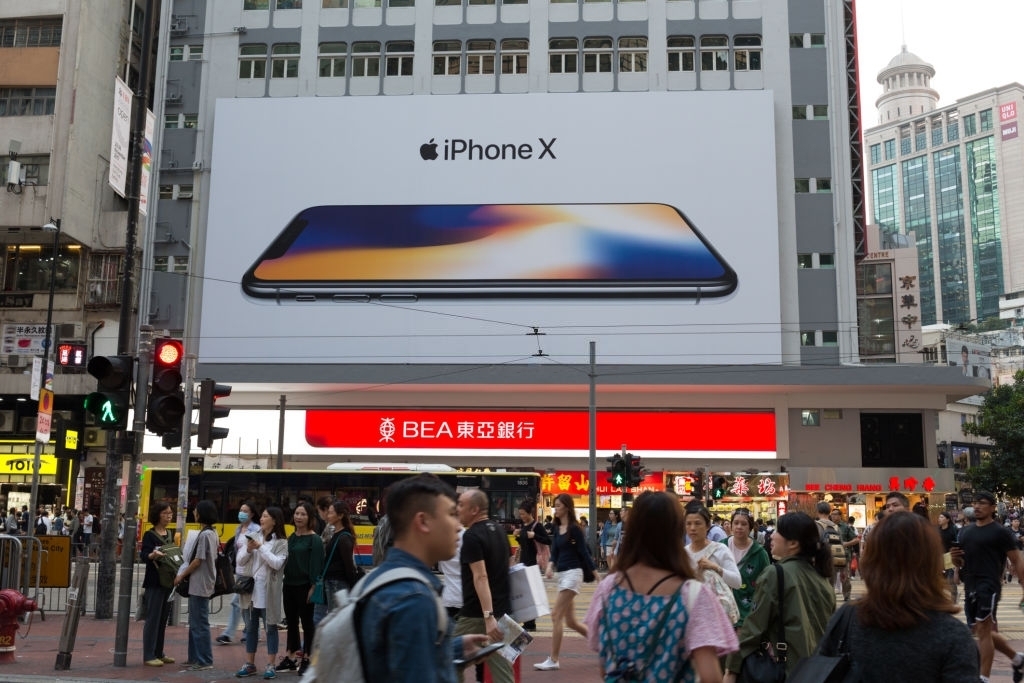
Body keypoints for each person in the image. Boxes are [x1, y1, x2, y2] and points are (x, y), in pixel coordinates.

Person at [585, 491, 737, 681]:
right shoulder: (692, 594)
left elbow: (605, 667)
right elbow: (711, 677)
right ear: (676, 531)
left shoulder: (608, 589)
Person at [357, 474, 490, 682]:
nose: (458, 526)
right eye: (451, 514)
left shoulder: (382, 579)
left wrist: (452, 648)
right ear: (423, 521)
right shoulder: (414, 599)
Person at [823, 510, 979, 680]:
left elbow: (820, 670)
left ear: (870, 561)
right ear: (933, 563)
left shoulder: (847, 619)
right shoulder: (953, 636)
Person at [723, 512, 835, 680]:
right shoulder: (822, 577)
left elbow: (753, 628)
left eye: (777, 532)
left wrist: (731, 670)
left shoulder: (775, 574)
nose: (772, 536)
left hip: (786, 670)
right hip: (816, 672)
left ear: (793, 544)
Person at [952, 491, 1024, 683]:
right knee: (980, 630)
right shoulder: (965, 532)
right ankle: (1017, 659)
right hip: (971, 585)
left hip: (989, 585)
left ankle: (983, 678)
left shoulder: (1001, 532)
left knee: (983, 630)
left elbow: (1016, 560)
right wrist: (955, 560)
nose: (977, 506)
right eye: (975, 503)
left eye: (982, 503)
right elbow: (960, 562)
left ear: (992, 507)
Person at [455, 489, 514, 683]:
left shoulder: (472, 536)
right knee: (503, 672)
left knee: (449, 658)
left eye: (461, 505)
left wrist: (488, 617)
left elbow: (480, 576)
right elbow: (509, 565)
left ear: (474, 510)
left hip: (477, 614)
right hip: (502, 613)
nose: (457, 509)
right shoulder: (500, 530)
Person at [536, 493, 590, 671]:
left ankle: (554, 659)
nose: (555, 508)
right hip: (563, 575)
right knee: (571, 622)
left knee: (555, 615)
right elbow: (556, 552)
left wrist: (596, 574)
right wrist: (550, 566)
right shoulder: (557, 527)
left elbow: (584, 552)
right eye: (555, 505)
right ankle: (603, 644)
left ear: (567, 507)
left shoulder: (575, 529)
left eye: (558, 505)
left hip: (573, 574)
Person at [234, 506, 289, 680]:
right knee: (250, 628)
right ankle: (249, 663)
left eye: (265, 516)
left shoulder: (281, 542)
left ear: (275, 520)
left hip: (268, 592)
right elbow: (240, 560)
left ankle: (271, 665)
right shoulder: (253, 536)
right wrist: (249, 549)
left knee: (270, 628)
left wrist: (260, 548)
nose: (261, 519)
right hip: (250, 591)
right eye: (262, 516)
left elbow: (277, 564)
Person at [278, 501, 323, 676]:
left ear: (310, 517)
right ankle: (291, 656)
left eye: (303, 514)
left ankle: (308, 658)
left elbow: (316, 566)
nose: (299, 517)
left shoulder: (315, 539)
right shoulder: (292, 537)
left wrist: (313, 586)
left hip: (305, 586)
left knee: (307, 623)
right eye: (297, 513)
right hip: (289, 584)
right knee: (291, 622)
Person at [174, 500, 219, 672]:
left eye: (196, 510)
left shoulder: (205, 535)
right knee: (195, 623)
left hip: (200, 584)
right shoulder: (211, 532)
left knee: (199, 623)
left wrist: (181, 575)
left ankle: (204, 660)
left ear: (201, 513)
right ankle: (194, 657)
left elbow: (198, 560)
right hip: (201, 583)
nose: (194, 513)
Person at [683, 503, 742, 624]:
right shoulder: (683, 554)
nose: (692, 528)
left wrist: (715, 568)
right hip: (691, 618)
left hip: (716, 619)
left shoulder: (720, 549)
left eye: (697, 523)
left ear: (708, 526)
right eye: (688, 524)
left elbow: (737, 582)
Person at [218, 501, 261, 645]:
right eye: (241, 510)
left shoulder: (256, 529)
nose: (242, 513)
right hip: (240, 572)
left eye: (245, 511)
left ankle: (229, 634)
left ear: (252, 514)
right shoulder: (239, 529)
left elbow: (257, 551)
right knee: (246, 605)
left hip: (250, 573)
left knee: (237, 603)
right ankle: (252, 632)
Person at [314, 500, 361, 624]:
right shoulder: (335, 534)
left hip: (337, 583)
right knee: (323, 618)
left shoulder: (344, 537)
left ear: (340, 516)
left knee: (335, 620)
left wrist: (353, 586)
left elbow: (348, 565)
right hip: (330, 581)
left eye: (331, 513)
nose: (328, 515)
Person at [141, 502, 176, 667]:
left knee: (162, 620)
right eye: (165, 513)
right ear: (157, 515)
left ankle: (158, 652)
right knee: (153, 619)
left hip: (168, 581)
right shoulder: (149, 535)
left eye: (170, 513)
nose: (169, 516)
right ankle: (148, 655)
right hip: (154, 581)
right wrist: (152, 555)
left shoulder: (170, 533)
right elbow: (143, 555)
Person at [724, 508, 770, 627]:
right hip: (722, 614)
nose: (739, 527)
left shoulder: (760, 553)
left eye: (744, 524)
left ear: (750, 527)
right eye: (736, 523)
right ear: (731, 525)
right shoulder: (721, 547)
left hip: (748, 616)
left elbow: (767, 585)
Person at [514, 498, 550, 632]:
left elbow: (548, 540)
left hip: (532, 564)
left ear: (530, 513)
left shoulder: (537, 526)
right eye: (520, 514)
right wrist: (518, 536)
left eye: (523, 514)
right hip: (524, 562)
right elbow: (524, 544)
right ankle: (528, 622)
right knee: (525, 594)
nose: (521, 516)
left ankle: (531, 623)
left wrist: (534, 535)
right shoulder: (524, 526)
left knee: (530, 595)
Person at [816, 503, 851, 602]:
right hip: (836, 555)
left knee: (826, 580)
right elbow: (841, 542)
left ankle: (827, 599)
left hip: (823, 557)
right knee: (837, 578)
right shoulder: (836, 526)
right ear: (829, 513)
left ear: (818, 512)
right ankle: (846, 596)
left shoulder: (816, 525)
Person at [937, 511, 960, 602]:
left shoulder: (953, 530)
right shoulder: (937, 530)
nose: (939, 519)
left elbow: (957, 542)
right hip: (940, 557)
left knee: (950, 579)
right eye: (939, 517)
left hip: (950, 556)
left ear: (947, 519)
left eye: (942, 517)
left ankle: (954, 598)